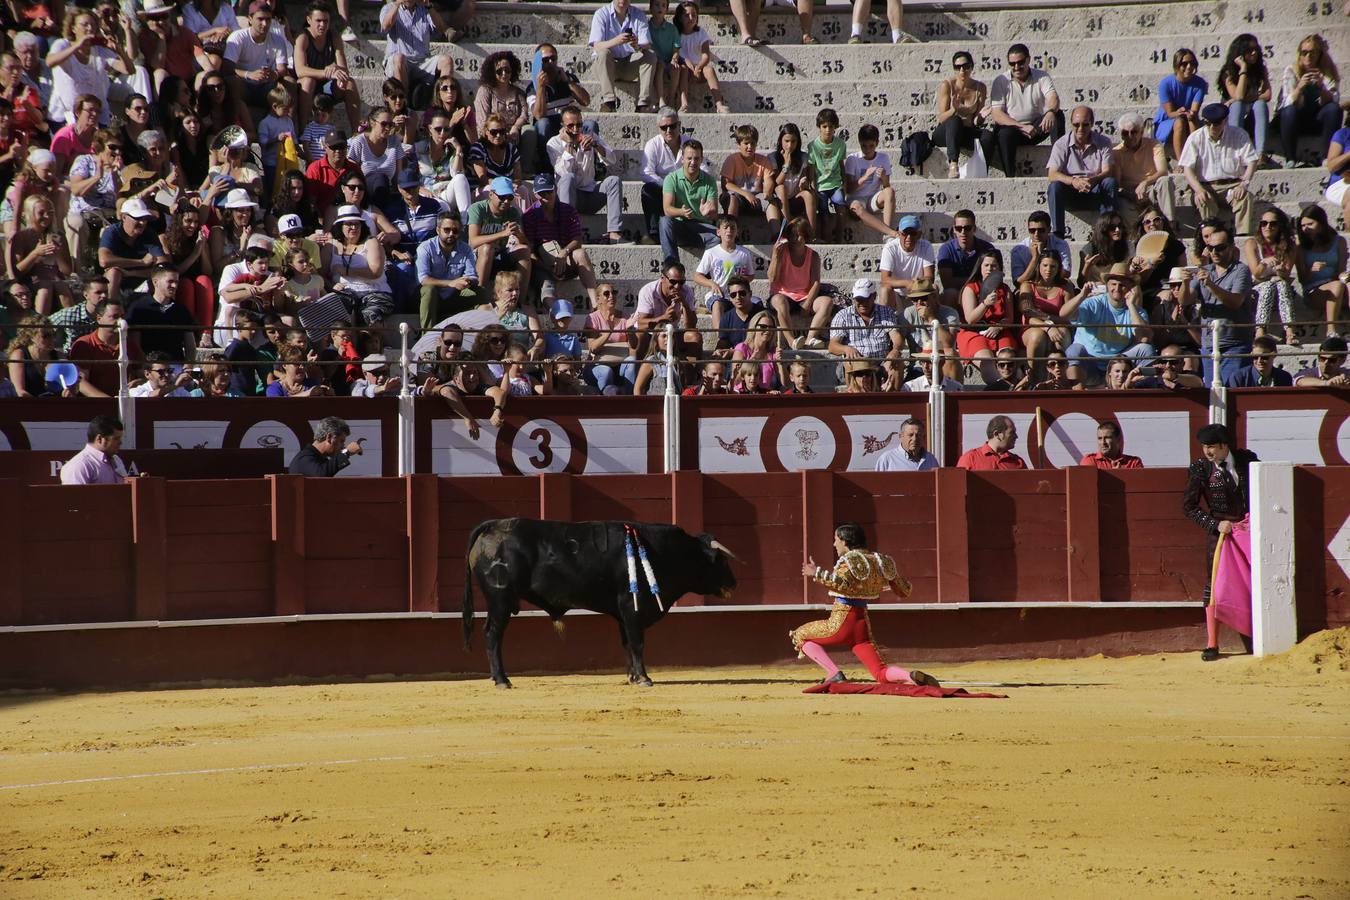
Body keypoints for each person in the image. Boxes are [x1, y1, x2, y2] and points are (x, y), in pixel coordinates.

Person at [792, 522, 937, 686]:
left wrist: (815, 572)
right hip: (861, 626)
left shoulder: (849, 560)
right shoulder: (880, 560)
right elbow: (905, 590)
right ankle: (909, 675)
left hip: (841, 622)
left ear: (844, 541)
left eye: (836, 540)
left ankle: (833, 673)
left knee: (799, 635)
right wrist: (882, 584)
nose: (834, 544)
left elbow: (841, 583)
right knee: (880, 672)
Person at [1182, 423, 1257, 661]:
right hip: (1221, 534)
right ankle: (1212, 643)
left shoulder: (1248, 460)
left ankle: (1260, 634)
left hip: (1251, 530)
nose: (1207, 451)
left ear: (1225, 446)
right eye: (1204, 446)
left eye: (1212, 446)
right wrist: (1215, 524)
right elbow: (1189, 507)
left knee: (1256, 580)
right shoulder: (1200, 469)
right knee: (1213, 585)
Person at [1177, 224, 1253, 385]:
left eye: (1220, 248)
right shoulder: (1204, 269)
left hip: (1235, 345)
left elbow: (1235, 302)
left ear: (1232, 247)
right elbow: (1185, 300)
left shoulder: (1241, 270)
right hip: (1209, 345)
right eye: (1210, 248)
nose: (1214, 252)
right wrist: (1185, 283)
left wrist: (1210, 285)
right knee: (1213, 395)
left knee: (1231, 393)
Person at [1172, 103, 1260, 238]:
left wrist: (1244, 184)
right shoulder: (1196, 137)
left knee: (1244, 197)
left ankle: (1243, 237)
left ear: (1225, 121)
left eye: (1216, 123)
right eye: (1208, 123)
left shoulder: (1239, 134)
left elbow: (1252, 161)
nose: (1212, 127)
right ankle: (1211, 237)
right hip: (1206, 186)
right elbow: (1187, 169)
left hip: (1233, 184)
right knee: (1203, 199)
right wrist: (1198, 189)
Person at [979, 42, 1064, 177]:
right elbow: (997, 114)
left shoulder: (1042, 76)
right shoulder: (1000, 81)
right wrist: (1021, 126)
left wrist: (1050, 112)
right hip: (1014, 129)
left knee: (1057, 115)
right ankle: (1010, 175)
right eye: (1012, 64)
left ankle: (1059, 164)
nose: (1016, 67)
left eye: (1020, 62)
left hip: (1036, 127)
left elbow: (1053, 97)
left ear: (1028, 60)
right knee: (1003, 133)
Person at [1060, 262, 1151, 385]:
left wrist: (1131, 306)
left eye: (1122, 285)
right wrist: (1082, 295)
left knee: (1147, 350)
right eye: (1113, 284)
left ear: (1130, 287)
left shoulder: (1136, 311)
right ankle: (1077, 394)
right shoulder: (1094, 303)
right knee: (1073, 350)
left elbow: (1144, 338)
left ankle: (1132, 390)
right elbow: (1063, 314)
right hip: (1090, 362)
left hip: (1119, 365)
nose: (1117, 289)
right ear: (1107, 285)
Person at [548, 106, 624, 245]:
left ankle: (614, 232)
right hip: (568, 198)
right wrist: (569, 146)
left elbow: (612, 159)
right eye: (571, 126)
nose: (576, 129)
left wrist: (596, 146)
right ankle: (566, 233)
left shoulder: (590, 136)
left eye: (579, 125)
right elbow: (563, 173)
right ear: (562, 126)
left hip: (590, 194)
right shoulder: (553, 143)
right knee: (568, 178)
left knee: (614, 181)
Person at [1045, 105, 1115, 240]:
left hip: (1094, 189)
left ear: (1092, 124)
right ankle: (1058, 234)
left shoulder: (1104, 142)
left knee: (1110, 182)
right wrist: (1074, 181)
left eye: (1085, 124)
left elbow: (1108, 171)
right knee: (1054, 187)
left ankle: (1108, 230)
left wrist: (1092, 180)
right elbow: (1052, 174)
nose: (1080, 129)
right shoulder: (1061, 144)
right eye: (1076, 125)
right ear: (1071, 124)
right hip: (1071, 191)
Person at [293, 0, 362, 133]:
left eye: (326, 21)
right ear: (309, 20)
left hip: (327, 87)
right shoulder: (303, 37)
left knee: (349, 83)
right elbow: (300, 70)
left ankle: (356, 133)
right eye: (318, 21)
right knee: (308, 81)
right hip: (306, 88)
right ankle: (303, 131)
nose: (322, 25)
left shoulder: (334, 37)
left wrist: (336, 69)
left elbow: (344, 70)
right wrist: (326, 72)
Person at [225, 1, 296, 120]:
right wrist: (249, 75)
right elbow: (227, 69)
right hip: (244, 85)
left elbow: (282, 69)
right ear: (250, 19)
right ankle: (235, 127)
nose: (265, 23)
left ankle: (291, 128)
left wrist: (274, 74)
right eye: (260, 19)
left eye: (268, 19)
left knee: (290, 82)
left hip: (267, 87)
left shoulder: (278, 40)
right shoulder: (238, 37)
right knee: (232, 82)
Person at [829, 279, 905, 391]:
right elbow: (832, 346)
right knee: (850, 362)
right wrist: (846, 349)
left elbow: (897, 338)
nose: (862, 303)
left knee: (897, 361)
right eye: (859, 299)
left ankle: (891, 401)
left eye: (866, 298)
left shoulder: (886, 312)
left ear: (874, 296)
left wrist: (895, 350)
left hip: (881, 363)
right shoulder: (843, 316)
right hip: (856, 364)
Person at [767, 217, 829, 350]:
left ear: (806, 236)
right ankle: (791, 341)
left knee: (826, 302)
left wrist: (808, 303)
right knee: (779, 300)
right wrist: (776, 257)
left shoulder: (813, 256)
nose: (795, 239)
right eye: (792, 235)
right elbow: (772, 278)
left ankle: (809, 338)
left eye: (799, 235)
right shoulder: (781, 252)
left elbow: (816, 282)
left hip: (803, 297)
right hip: (782, 295)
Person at [957, 251, 1017, 386]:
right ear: (980, 267)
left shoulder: (1005, 289)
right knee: (987, 362)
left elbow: (1009, 318)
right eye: (986, 265)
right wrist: (985, 304)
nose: (990, 269)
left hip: (999, 331)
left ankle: (1018, 387)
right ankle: (1003, 389)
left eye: (994, 266)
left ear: (1000, 268)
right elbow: (970, 319)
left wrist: (998, 327)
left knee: (1009, 360)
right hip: (973, 332)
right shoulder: (971, 288)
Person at [1244, 209, 1302, 346]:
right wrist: (1264, 262)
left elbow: (1285, 275)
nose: (1267, 227)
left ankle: (1290, 331)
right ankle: (1260, 330)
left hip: (1279, 285)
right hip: (1257, 285)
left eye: (1272, 224)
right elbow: (1256, 273)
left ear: (1280, 226)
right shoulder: (1252, 243)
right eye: (1264, 223)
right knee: (1269, 285)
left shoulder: (1290, 245)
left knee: (1281, 284)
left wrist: (1280, 270)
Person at [588, 0, 657, 113]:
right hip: (605, 65)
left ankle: (643, 103)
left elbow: (646, 44)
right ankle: (609, 102)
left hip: (628, 63)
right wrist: (616, 41)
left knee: (650, 56)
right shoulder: (601, 14)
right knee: (604, 53)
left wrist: (637, 44)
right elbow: (596, 45)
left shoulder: (639, 15)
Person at [639, 107, 696, 241]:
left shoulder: (689, 143)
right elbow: (646, 173)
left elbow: (704, 168)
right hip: (663, 190)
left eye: (672, 126)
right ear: (659, 128)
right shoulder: (653, 144)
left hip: (687, 188)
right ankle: (654, 234)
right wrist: (669, 186)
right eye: (664, 127)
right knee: (647, 190)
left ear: (679, 125)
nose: (669, 130)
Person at [660, 139, 718, 266]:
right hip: (680, 226)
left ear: (702, 159)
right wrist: (681, 212)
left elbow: (714, 213)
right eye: (689, 158)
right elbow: (667, 209)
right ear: (682, 159)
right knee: (664, 221)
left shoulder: (709, 181)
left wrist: (707, 213)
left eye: (696, 159)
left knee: (720, 237)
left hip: (702, 226)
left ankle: (705, 271)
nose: (693, 162)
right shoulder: (671, 178)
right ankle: (672, 265)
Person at [467, 176, 531, 290]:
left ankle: (521, 301)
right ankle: (480, 295)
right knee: (487, 248)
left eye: (509, 197)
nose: (506, 201)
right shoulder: (478, 209)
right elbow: (473, 242)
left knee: (524, 251)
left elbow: (525, 244)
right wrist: (502, 234)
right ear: (491, 194)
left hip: (500, 254)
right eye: (502, 197)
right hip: (477, 257)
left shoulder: (512, 212)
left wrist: (519, 234)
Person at [416, 213, 478, 329]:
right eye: (447, 230)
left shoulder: (466, 249)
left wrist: (467, 281)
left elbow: (472, 275)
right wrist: (450, 283)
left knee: (481, 293)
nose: (451, 234)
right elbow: (424, 279)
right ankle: (427, 334)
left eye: (455, 231)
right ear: (438, 230)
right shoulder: (425, 248)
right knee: (428, 290)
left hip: (454, 295)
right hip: (430, 298)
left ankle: (481, 334)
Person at [380, 0, 453, 96]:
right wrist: (397, 4)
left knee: (446, 61)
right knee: (399, 58)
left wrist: (429, 6)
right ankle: (403, 103)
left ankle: (441, 103)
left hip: (422, 61)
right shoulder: (389, 8)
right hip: (399, 62)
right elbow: (385, 26)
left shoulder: (425, 9)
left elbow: (439, 27)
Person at [1218, 33, 1271, 161]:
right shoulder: (1228, 72)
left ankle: (1261, 154)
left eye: (1256, 50)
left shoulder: (1260, 69)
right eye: (1249, 51)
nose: (1254, 53)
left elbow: (1267, 95)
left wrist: (1247, 98)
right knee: (1237, 105)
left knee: (1260, 105)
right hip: (1232, 119)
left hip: (1252, 117)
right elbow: (1239, 96)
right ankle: (1237, 154)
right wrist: (1243, 69)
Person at [1296, 205, 1348, 335]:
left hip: (1337, 284)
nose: (1305, 229)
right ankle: (1331, 331)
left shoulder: (1339, 241)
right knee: (1337, 286)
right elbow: (1302, 279)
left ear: (1321, 223)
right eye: (1302, 225)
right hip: (1314, 289)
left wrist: (1345, 276)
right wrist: (1312, 270)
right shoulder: (1300, 246)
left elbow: (1341, 271)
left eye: (1310, 224)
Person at [693, 214, 753, 328]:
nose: (729, 230)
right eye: (725, 227)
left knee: (756, 304)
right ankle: (721, 338)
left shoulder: (744, 253)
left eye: (732, 227)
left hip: (737, 295)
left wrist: (743, 280)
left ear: (737, 232)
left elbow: (750, 274)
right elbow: (697, 276)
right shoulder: (711, 253)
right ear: (718, 232)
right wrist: (711, 283)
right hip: (719, 294)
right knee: (717, 304)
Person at [936, 50, 987, 179]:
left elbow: (975, 121)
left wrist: (980, 118)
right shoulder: (947, 85)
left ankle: (982, 170)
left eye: (966, 66)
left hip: (966, 130)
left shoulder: (980, 88)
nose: (962, 70)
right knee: (955, 121)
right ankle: (953, 164)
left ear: (971, 67)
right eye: (958, 67)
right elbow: (941, 118)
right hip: (946, 131)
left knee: (988, 136)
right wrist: (954, 109)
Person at [672, 1, 731, 114]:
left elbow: (706, 55)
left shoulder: (701, 33)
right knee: (683, 69)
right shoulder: (676, 34)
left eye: (694, 15)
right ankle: (684, 104)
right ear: (679, 18)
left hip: (699, 68)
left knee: (709, 70)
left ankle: (719, 104)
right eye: (686, 15)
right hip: (685, 68)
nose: (691, 18)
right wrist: (690, 67)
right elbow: (679, 54)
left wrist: (698, 67)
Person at [843, 124, 897, 239]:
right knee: (858, 207)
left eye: (871, 146)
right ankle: (890, 232)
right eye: (864, 146)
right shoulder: (853, 159)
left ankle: (887, 234)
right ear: (859, 143)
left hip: (873, 199)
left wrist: (883, 177)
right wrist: (864, 178)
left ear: (877, 143)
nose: (867, 149)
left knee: (890, 192)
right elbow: (848, 190)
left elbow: (886, 186)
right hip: (855, 199)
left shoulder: (883, 158)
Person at [1112, 112, 1168, 222]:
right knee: (1121, 202)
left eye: (1133, 132)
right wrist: (1131, 195)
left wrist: (1145, 183)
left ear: (1141, 132)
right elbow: (1117, 184)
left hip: (1150, 187)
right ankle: (1134, 235)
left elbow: (1163, 171)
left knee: (1164, 181)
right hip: (1129, 192)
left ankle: (1169, 222)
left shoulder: (1154, 145)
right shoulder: (1117, 152)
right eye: (1125, 133)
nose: (1130, 136)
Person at [1153, 48, 1207, 161]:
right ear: (1177, 65)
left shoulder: (1200, 84)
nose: (1189, 67)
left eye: (1192, 63)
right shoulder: (1166, 83)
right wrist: (1179, 112)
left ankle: (1196, 158)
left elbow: (1195, 110)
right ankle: (1182, 160)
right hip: (1167, 120)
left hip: (1188, 118)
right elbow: (1170, 113)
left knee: (1191, 119)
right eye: (1184, 63)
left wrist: (1188, 113)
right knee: (1179, 122)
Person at [937, 209, 998, 307]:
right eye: (958, 228)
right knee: (949, 293)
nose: (963, 232)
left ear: (974, 229)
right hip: (958, 292)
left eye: (967, 228)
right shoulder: (946, 249)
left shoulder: (987, 248)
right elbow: (947, 283)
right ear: (954, 229)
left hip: (982, 290)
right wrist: (975, 282)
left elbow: (994, 277)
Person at [68, 298, 125, 397]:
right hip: (94, 406)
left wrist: (140, 381)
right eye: (115, 317)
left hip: (125, 403)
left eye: (122, 316)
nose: (120, 321)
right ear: (99, 319)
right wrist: (110, 401)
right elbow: (81, 382)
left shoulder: (128, 344)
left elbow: (141, 371)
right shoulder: (85, 344)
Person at [720, 124, 774, 223]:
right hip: (738, 197)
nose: (750, 147)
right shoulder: (732, 159)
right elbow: (726, 184)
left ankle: (777, 234)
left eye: (753, 143)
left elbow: (768, 181)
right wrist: (746, 194)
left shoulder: (763, 161)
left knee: (771, 201)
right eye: (746, 143)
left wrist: (767, 191)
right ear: (738, 144)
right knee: (732, 197)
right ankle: (731, 228)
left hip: (756, 198)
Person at [878, 214, 935, 307]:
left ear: (919, 235)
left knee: (934, 288)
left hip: (918, 292)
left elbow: (929, 277)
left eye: (913, 233)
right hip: (897, 295)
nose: (909, 237)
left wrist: (918, 282)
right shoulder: (890, 248)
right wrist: (907, 283)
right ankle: (885, 321)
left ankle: (930, 320)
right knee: (885, 290)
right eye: (905, 233)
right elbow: (885, 280)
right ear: (899, 234)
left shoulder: (926, 246)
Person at [806, 108, 845, 241]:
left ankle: (840, 238)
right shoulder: (813, 146)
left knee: (841, 209)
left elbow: (841, 164)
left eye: (831, 126)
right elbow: (811, 168)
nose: (828, 130)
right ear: (819, 127)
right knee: (824, 214)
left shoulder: (840, 144)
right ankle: (825, 239)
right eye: (824, 126)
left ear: (835, 127)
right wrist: (813, 186)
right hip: (821, 186)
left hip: (835, 184)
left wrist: (844, 184)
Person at [1010, 210, 1072, 286]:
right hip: (1030, 286)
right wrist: (1035, 258)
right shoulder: (1019, 250)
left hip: (1054, 285)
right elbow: (1018, 282)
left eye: (1041, 230)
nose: (1036, 234)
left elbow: (1066, 273)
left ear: (1049, 230)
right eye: (1032, 230)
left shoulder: (1060, 244)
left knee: (1068, 285)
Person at [60, 415, 126, 484]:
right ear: (100, 439)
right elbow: (76, 494)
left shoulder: (116, 460)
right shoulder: (79, 465)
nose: (120, 442)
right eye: (116, 438)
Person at [289, 415, 364, 476]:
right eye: (341, 441)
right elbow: (321, 474)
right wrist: (346, 452)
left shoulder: (317, 458)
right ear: (329, 437)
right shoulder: (304, 458)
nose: (342, 446)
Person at [956, 414, 1028, 470]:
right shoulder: (970, 459)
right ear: (997, 434)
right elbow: (958, 486)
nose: (1016, 436)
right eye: (1012, 432)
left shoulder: (1018, 462)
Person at [873, 417, 938, 472]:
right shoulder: (887, 459)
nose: (914, 439)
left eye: (918, 435)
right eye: (910, 435)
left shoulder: (931, 459)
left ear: (924, 438)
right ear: (901, 437)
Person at [1225, 335, 1292, 387]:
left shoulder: (1284, 377)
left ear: (1274, 354)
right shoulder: (1238, 377)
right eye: (1255, 357)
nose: (1259, 361)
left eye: (1264, 357)